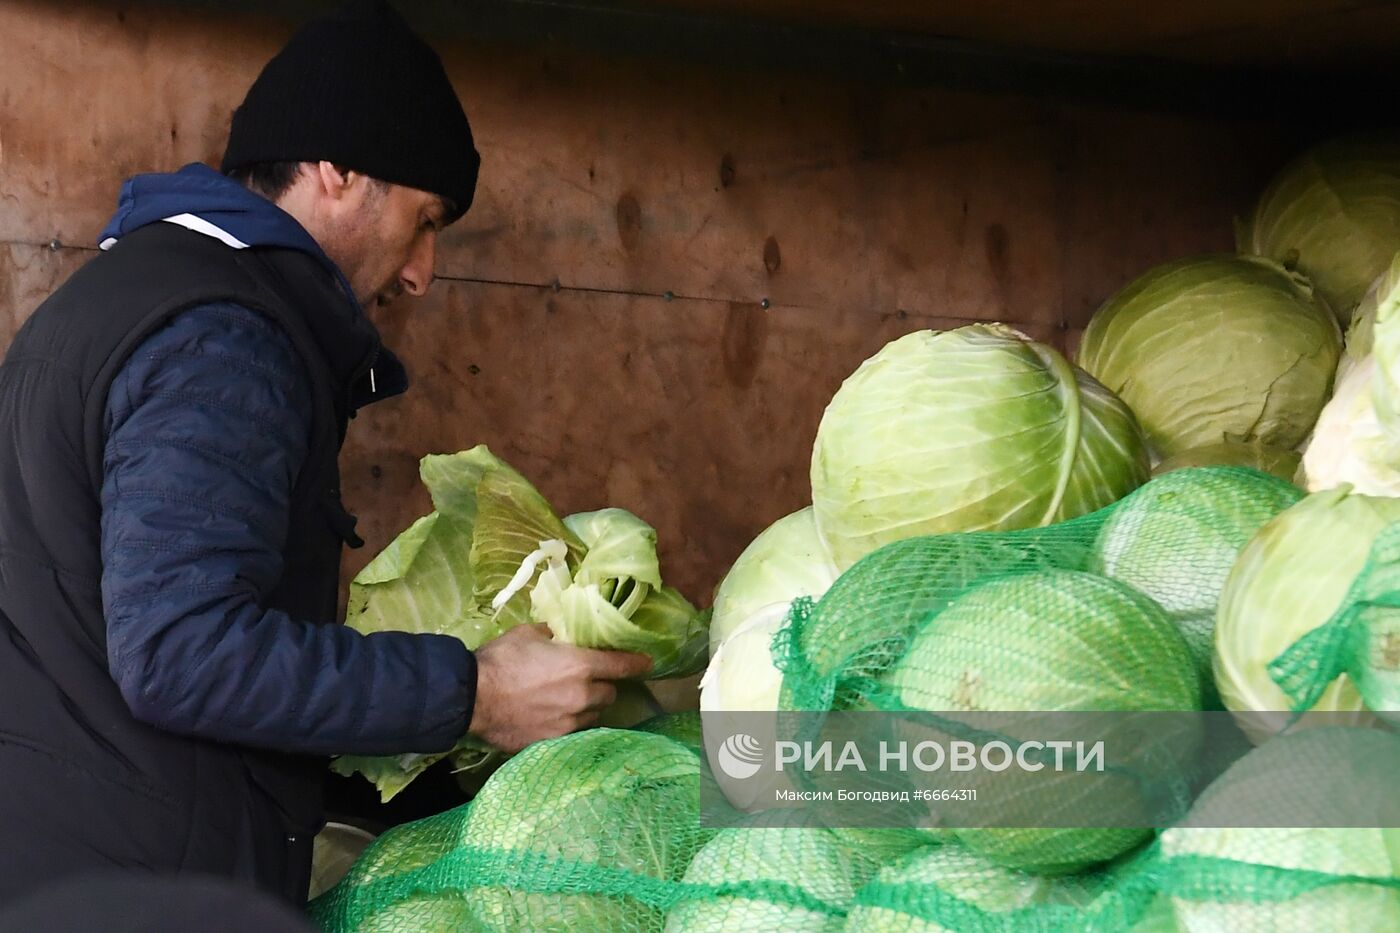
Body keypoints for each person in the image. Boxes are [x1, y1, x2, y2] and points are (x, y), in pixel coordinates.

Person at [0, 0, 652, 907]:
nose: (423, 271)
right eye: (424, 221)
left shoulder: (128, 298)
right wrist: (478, 693)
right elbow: (185, 652)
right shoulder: (222, 336)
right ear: (337, 171)